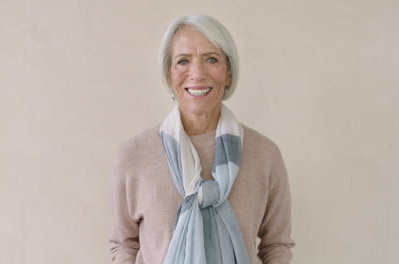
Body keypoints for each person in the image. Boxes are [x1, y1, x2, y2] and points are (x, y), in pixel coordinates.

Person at [109, 14, 295, 264]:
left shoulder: (264, 155)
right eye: (183, 61)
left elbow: (276, 244)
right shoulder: (134, 156)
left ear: (229, 72)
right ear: (169, 75)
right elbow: (124, 244)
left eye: (211, 59)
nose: (197, 73)